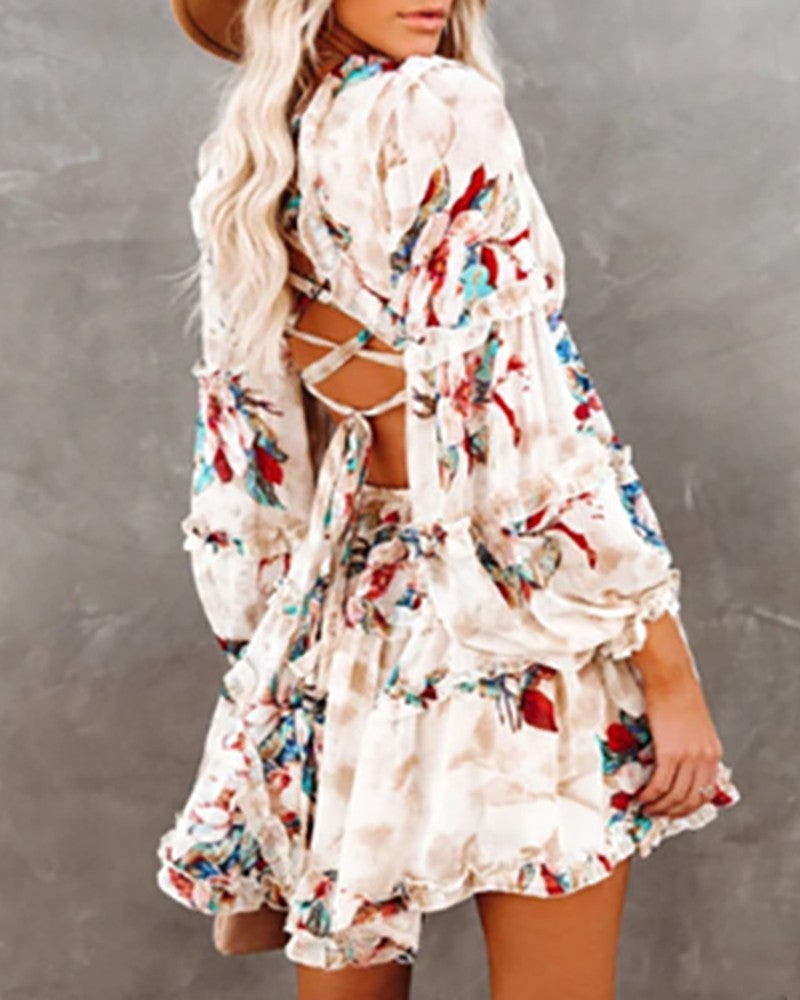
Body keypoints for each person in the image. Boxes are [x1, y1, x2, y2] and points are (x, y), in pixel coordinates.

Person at [156, 2, 742, 997]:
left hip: (354, 617)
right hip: (514, 619)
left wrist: (266, 663)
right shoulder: (439, 105)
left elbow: (247, 455)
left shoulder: (251, 158)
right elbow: (526, 432)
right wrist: (667, 668)